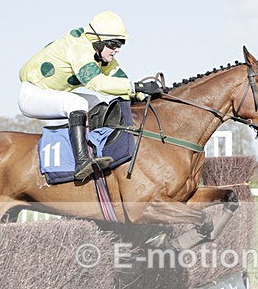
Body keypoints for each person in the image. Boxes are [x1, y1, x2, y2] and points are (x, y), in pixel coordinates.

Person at [18, 11, 163, 181]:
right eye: (113, 44)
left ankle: (99, 149)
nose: (117, 49)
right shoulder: (79, 48)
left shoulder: (100, 53)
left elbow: (121, 80)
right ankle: (81, 163)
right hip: (32, 95)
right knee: (76, 103)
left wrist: (141, 94)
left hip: (52, 93)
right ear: (98, 41)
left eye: (120, 44)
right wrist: (137, 86)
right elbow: (97, 83)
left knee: (97, 102)